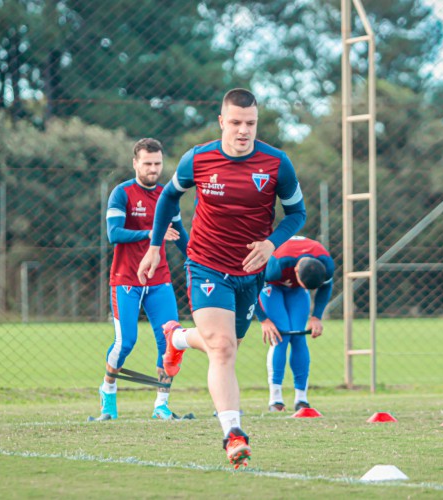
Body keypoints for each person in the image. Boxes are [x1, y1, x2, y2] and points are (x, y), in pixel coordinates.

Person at [137, 88, 306, 468]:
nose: (243, 131)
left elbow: (298, 213)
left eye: (250, 123)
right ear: (221, 122)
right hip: (207, 264)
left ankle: (176, 337)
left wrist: (272, 243)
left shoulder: (277, 163)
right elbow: (167, 199)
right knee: (223, 348)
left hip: (251, 272)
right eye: (235, 123)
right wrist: (153, 247)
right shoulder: (198, 158)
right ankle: (233, 433)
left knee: (227, 345)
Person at [94, 138, 188, 422]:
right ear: (135, 163)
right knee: (126, 343)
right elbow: (115, 234)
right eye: (147, 163)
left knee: (171, 341)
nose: (153, 169)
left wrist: (199, 262)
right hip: (125, 280)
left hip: (159, 280)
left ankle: (161, 405)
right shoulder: (121, 193)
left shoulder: (168, 195)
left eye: (157, 163)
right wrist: (152, 234)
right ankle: (108, 389)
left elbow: (183, 238)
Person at [256, 236, 335, 412]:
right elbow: (251, 287)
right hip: (271, 286)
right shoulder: (278, 265)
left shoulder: (326, 264)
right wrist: (263, 320)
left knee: (299, 337)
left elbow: (326, 287)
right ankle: (275, 399)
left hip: (296, 291)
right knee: (281, 336)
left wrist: (316, 316)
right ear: (297, 270)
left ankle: (301, 399)